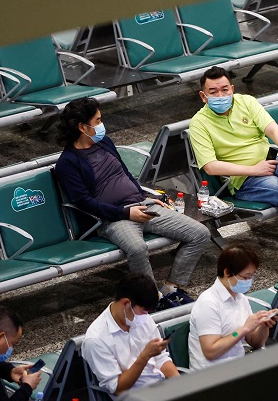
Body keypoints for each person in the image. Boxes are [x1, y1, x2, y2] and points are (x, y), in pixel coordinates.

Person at [54, 97, 212, 306]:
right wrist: (126, 213)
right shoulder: (67, 163)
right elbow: (84, 202)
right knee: (137, 249)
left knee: (200, 233)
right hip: (112, 218)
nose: (102, 125)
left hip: (143, 205)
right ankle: (152, 300)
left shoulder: (105, 143)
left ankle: (171, 288)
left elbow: (125, 174)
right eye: (98, 121)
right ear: (83, 127)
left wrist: (148, 197)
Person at [188, 66, 278, 271]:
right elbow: (211, 166)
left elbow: (273, 129)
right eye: (213, 92)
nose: (221, 95)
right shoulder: (198, 123)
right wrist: (254, 170)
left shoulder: (247, 102)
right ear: (203, 96)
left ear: (232, 88)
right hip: (245, 179)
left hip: (274, 159)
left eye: (225, 90)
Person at [81, 273, 179, 397]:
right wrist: (145, 356)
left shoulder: (142, 318)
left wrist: (180, 385)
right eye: (143, 311)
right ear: (125, 303)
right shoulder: (96, 340)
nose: (146, 316)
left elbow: (161, 359)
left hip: (160, 389)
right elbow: (118, 388)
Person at [188, 241, 277, 370]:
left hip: (237, 367)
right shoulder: (208, 304)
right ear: (227, 272)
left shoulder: (240, 298)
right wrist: (244, 329)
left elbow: (255, 343)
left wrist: (263, 326)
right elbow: (211, 352)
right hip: (212, 375)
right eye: (246, 277)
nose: (249, 281)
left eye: (252, 276)